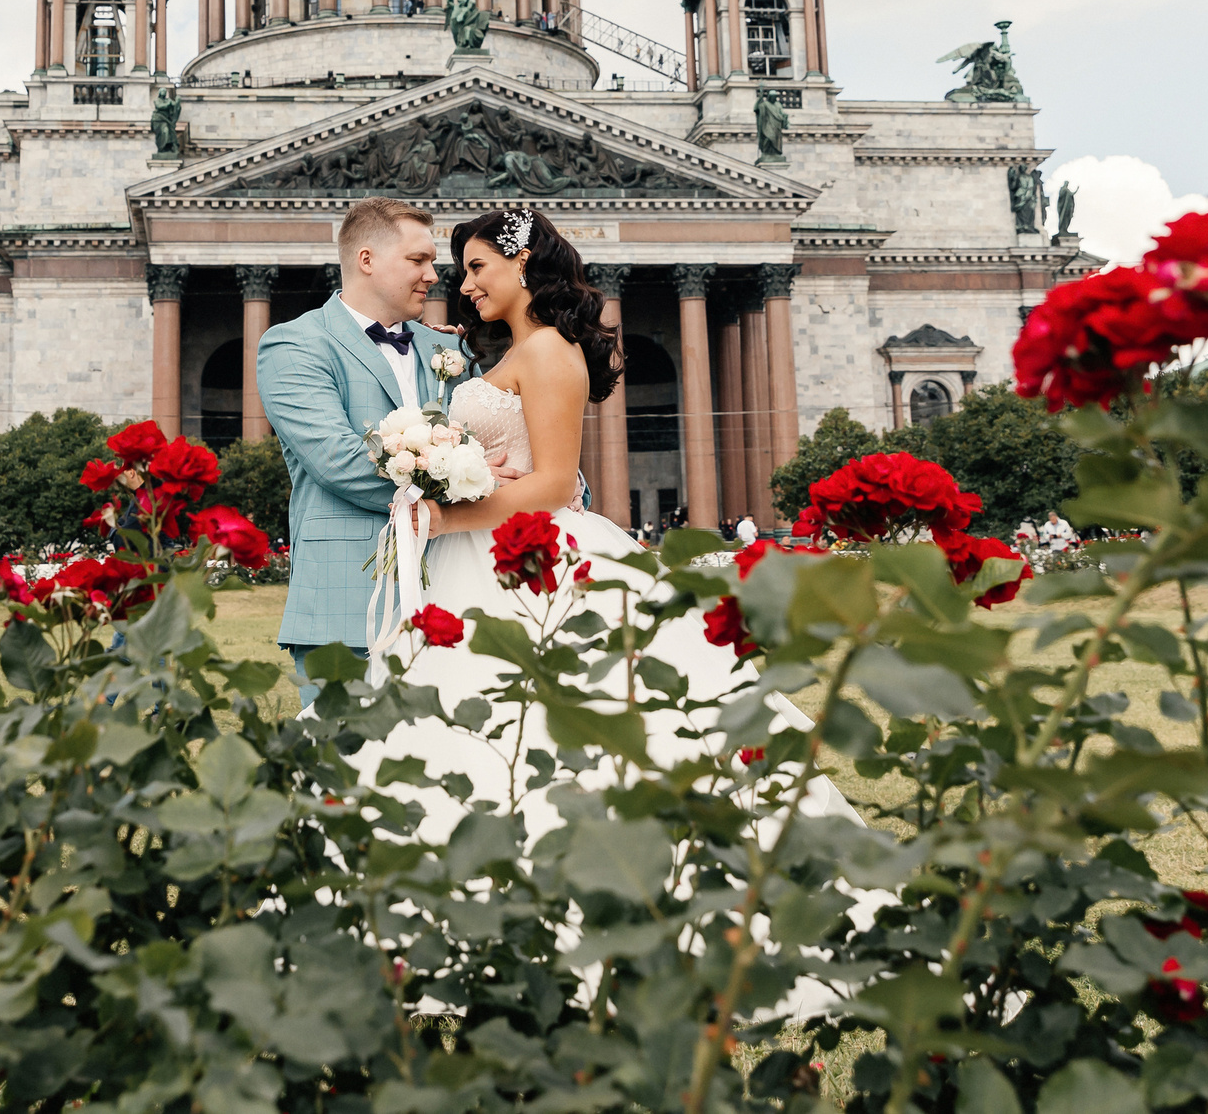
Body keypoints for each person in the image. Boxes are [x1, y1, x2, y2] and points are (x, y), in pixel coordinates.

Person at [360, 207, 863, 864]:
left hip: (531, 551)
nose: (467, 284)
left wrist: (447, 512)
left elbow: (553, 482)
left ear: (522, 262)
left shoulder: (545, 350)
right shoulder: (529, 348)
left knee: (539, 707)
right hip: (491, 550)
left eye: (478, 267)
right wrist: (458, 478)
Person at [258, 197, 513, 692]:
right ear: (366, 259)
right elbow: (339, 461)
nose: (434, 275)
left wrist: (552, 482)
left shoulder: (450, 350)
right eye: (418, 260)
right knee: (344, 763)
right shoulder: (294, 345)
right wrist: (472, 483)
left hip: (457, 602)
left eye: (432, 262)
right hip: (347, 605)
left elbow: (500, 443)